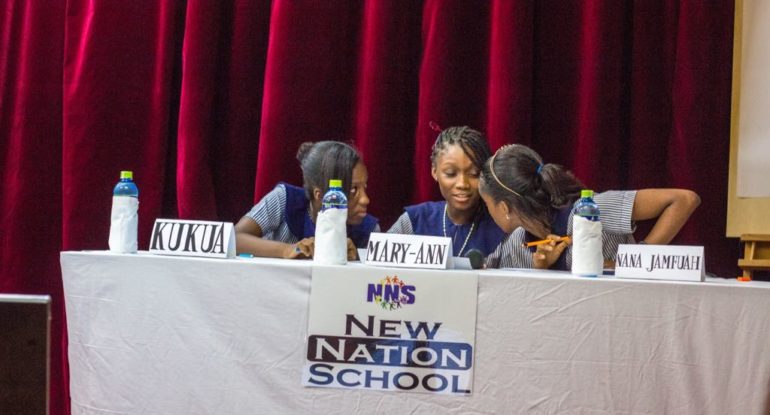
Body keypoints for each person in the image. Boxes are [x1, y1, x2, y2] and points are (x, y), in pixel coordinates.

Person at [479, 144, 701, 270]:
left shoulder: (590, 209)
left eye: (487, 203)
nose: (487, 210)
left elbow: (684, 200)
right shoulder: (518, 243)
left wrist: (636, 260)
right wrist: (542, 269)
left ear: (505, 207)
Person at [235, 141, 379, 259]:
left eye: (364, 187)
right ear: (320, 195)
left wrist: (357, 258)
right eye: (353, 190)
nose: (365, 200)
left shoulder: (369, 228)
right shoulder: (284, 199)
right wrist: (287, 250)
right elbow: (235, 238)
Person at [388, 126, 505, 257]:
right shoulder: (415, 220)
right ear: (434, 172)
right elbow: (378, 265)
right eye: (451, 173)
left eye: (474, 174)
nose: (462, 184)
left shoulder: (502, 228)